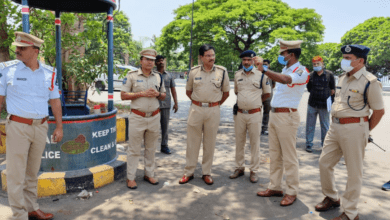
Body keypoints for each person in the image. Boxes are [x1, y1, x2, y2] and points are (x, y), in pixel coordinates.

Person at [315, 45, 385, 220]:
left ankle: (351, 213)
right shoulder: (342, 78)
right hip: (335, 127)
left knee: (354, 172)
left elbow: (379, 111)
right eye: (344, 57)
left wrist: (365, 130)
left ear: (360, 60)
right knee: (324, 163)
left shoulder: (370, 81)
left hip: (355, 128)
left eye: (348, 58)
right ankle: (332, 197)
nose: (344, 60)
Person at [0, 32, 63, 220]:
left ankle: (31, 208)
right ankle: (19, 215)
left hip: (40, 127)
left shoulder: (49, 73)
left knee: (32, 172)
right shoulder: (7, 69)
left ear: (35, 51)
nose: (17, 50)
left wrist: (59, 127)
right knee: (15, 174)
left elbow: (55, 101)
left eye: (22, 48)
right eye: (17, 47)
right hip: (18, 127)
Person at [254, 40, 310, 206]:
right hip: (275, 115)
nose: (280, 56)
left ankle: (291, 191)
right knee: (275, 154)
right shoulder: (286, 68)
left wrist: (265, 70)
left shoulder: (301, 71)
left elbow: (286, 80)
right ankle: (275, 186)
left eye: (282, 54)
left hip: (287, 116)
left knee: (289, 156)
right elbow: (283, 76)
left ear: (291, 54)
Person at [179, 44, 230, 185]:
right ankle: (188, 172)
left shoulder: (222, 71)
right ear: (201, 57)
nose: (211, 58)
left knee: (210, 142)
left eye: (213, 55)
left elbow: (226, 93)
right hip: (196, 109)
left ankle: (206, 172)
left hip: (213, 110)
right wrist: (199, 103)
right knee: (192, 142)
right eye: (208, 55)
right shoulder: (194, 72)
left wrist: (215, 104)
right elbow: (188, 91)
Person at [121, 49, 167, 189]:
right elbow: (123, 95)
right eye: (147, 59)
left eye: (152, 60)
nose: (150, 62)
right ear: (141, 60)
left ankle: (149, 174)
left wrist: (157, 93)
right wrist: (142, 93)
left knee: (151, 148)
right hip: (137, 117)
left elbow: (164, 95)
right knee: (134, 149)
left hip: (154, 116)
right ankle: (131, 177)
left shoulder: (158, 77)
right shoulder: (131, 76)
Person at [230, 50, 271, 183]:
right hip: (240, 114)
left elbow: (266, 94)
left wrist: (254, 103)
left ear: (253, 61)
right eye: (244, 60)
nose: (246, 62)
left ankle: (254, 170)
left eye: (248, 60)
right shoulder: (237, 75)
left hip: (255, 114)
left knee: (255, 143)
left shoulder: (261, 75)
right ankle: (239, 167)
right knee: (239, 142)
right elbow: (237, 91)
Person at [305, 56, 335, 153]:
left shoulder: (329, 75)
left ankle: (324, 145)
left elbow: (333, 90)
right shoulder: (310, 75)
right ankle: (309, 144)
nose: (316, 65)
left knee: (325, 126)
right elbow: (309, 88)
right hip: (312, 104)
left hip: (324, 105)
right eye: (314, 64)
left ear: (322, 64)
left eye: (318, 64)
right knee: (310, 125)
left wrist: (331, 104)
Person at [155, 55, 178, 154]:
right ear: (156, 63)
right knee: (153, 128)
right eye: (159, 61)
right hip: (154, 105)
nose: (161, 62)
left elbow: (173, 90)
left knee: (165, 127)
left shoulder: (169, 75)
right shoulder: (152, 75)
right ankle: (151, 146)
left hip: (166, 105)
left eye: (162, 61)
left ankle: (164, 146)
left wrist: (176, 103)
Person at [261, 59, 275, 135]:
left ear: (269, 65)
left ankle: (265, 128)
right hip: (259, 95)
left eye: (266, 64)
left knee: (267, 112)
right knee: (257, 112)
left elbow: (273, 84)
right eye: (263, 64)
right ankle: (256, 127)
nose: (264, 65)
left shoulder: (271, 74)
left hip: (268, 96)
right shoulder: (258, 72)